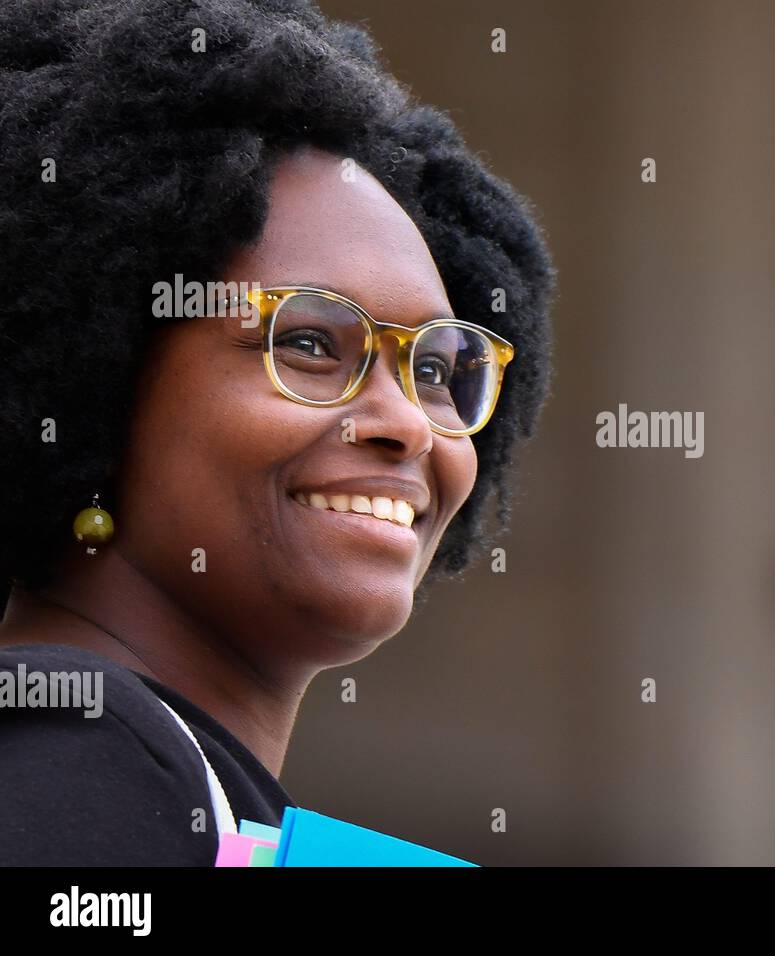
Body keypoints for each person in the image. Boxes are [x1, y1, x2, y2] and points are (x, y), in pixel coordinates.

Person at [0, 0, 556, 865]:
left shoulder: (159, 784)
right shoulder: (68, 750)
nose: (408, 425)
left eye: (438, 368)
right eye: (307, 344)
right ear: (91, 379)